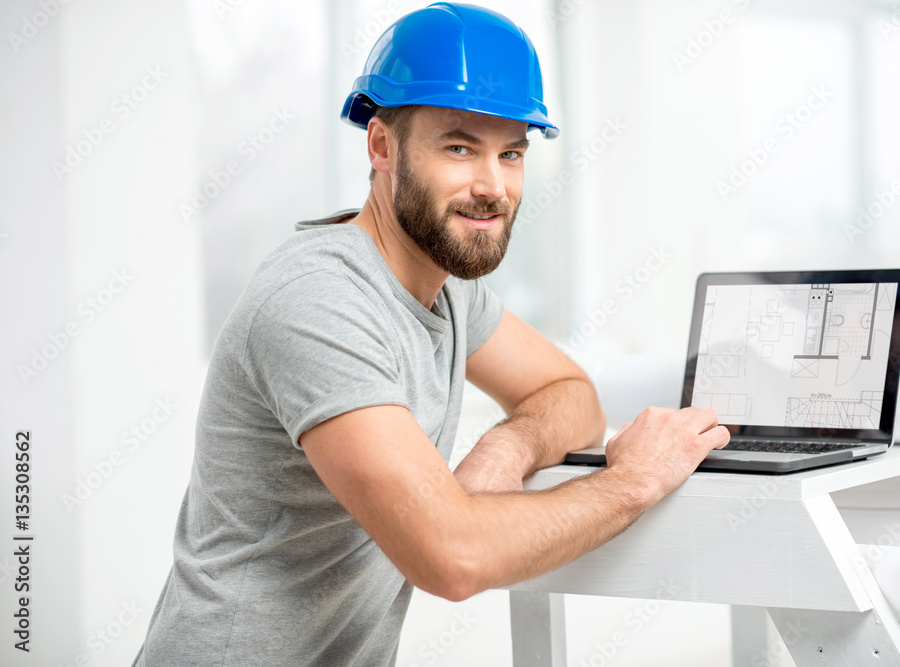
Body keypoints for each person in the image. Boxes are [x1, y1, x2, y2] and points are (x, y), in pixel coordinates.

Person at [131, 3, 728, 665]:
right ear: (382, 146)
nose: (492, 185)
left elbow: (570, 393)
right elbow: (453, 555)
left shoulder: (449, 286)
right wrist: (631, 482)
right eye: (459, 146)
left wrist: (509, 445)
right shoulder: (319, 299)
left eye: (511, 153)